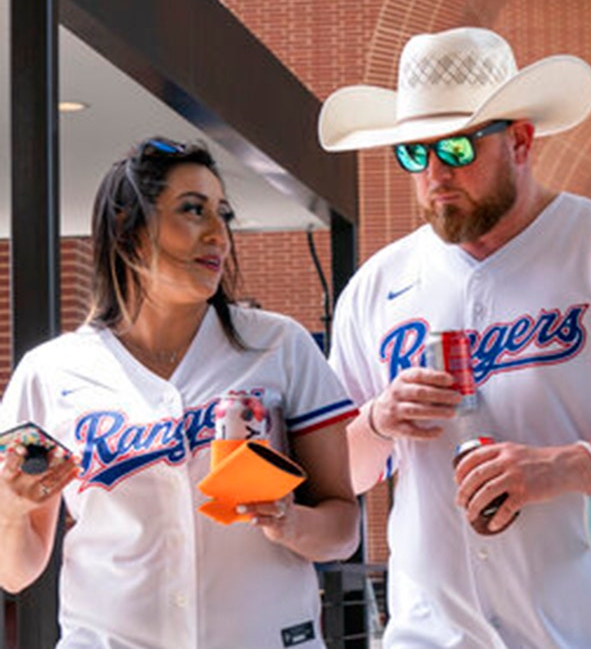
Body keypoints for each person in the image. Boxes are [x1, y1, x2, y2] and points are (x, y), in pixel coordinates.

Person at [318, 27, 591, 648]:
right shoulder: (377, 286)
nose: (435, 174)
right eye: (415, 154)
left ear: (520, 139)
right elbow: (340, 476)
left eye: (457, 149)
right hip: (435, 632)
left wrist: (564, 467)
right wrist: (381, 420)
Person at [0, 137, 360, 647]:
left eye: (223, 215)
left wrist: (289, 519)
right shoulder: (49, 373)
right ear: (127, 224)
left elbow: (343, 527)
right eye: (193, 211)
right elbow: (15, 573)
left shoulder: (280, 345)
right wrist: (10, 509)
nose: (218, 235)